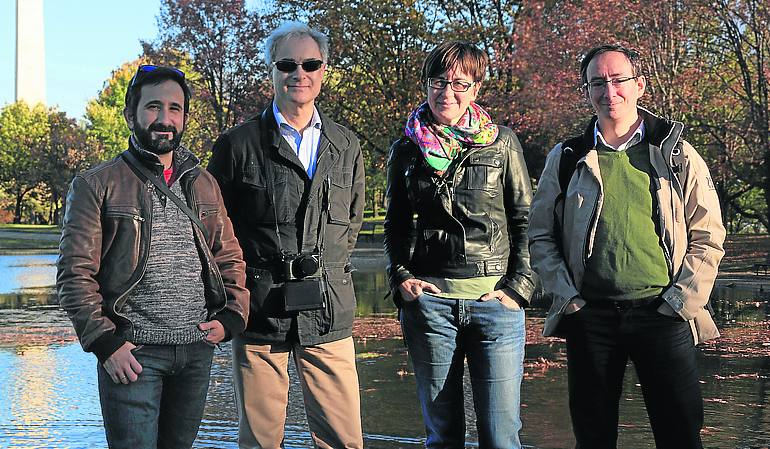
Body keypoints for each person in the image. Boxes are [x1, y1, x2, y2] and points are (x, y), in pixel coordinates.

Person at [528, 44, 726, 448]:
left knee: (680, 435)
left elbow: (709, 235)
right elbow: (540, 236)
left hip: (664, 315)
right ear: (586, 91)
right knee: (594, 437)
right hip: (591, 319)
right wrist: (569, 300)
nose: (609, 90)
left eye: (618, 80)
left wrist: (679, 303)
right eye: (597, 82)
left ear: (640, 85)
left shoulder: (675, 153)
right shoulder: (567, 157)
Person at [57, 65, 249, 448]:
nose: (164, 119)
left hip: (196, 351)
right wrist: (104, 343)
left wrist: (232, 316)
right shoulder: (97, 184)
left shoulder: (203, 181)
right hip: (133, 354)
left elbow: (228, 256)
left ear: (184, 117)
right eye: (153, 107)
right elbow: (74, 275)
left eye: (175, 109)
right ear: (131, 114)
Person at [207, 21, 365, 449]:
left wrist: (324, 270)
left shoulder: (346, 145)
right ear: (272, 72)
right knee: (260, 441)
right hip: (259, 313)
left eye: (310, 63)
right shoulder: (236, 145)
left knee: (344, 440)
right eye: (288, 64)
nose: (300, 73)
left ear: (324, 70)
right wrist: (235, 294)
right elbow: (214, 232)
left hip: (328, 311)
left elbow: (350, 225)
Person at [384, 41, 536, 449]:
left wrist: (517, 289)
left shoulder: (501, 144)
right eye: (438, 81)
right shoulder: (406, 150)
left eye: (459, 83)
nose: (447, 92)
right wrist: (400, 278)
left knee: (501, 436)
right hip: (431, 307)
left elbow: (525, 219)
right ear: (426, 84)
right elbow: (396, 226)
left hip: (495, 307)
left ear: (477, 89)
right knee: (442, 435)